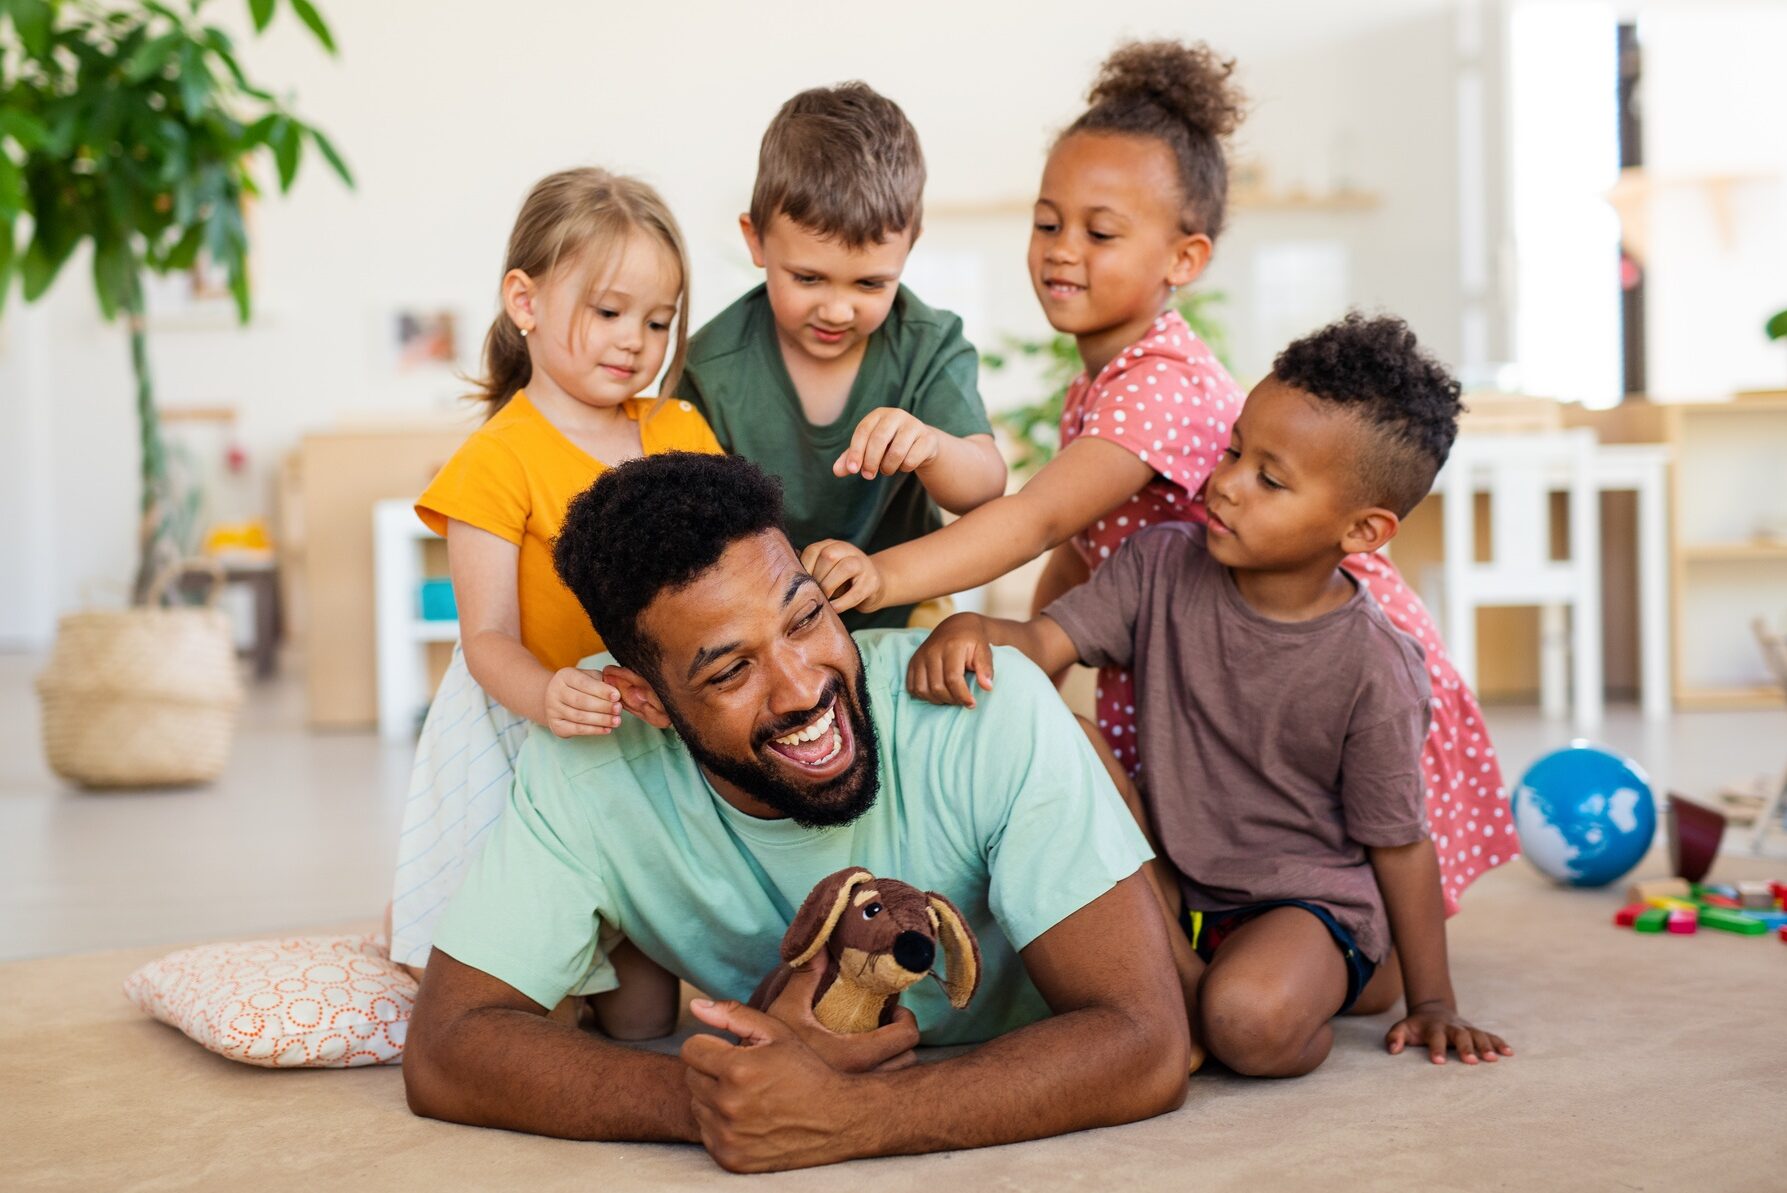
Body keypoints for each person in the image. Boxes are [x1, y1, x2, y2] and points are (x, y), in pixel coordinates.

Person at [802, 40, 1510, 911]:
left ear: (1185, 259)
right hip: (1200, 638)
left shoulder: (1160, 386)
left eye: (1100, 232)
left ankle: (1366, 947)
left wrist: (884, 572)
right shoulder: (1106, 379)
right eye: (1046, 221)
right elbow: (1080, 555)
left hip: (1292, 647)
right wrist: (1033, 676)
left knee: (1334, 861)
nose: (1062, 250)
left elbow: (1031, 522)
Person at [401, 452, 1189, 1173]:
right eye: (731, 668)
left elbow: (1145, 1038)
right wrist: (709, 1097)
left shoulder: (988, 705)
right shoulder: (589, 763)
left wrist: (853, 1115)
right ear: (643, 698)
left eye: (805, 618)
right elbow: (448, 1043)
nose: (801, 688)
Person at [908, 315, 1515, 1075]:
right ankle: (1193, 982)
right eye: (1232, 449)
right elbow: (1042, 644)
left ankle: (1344, 973)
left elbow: (1397, 843)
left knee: (1247, 1023)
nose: (1222, 483)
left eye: (1269, 478)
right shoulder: (1158, 563)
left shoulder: (1376, 665)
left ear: (1362, 529)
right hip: (1173, 879)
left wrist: (1432, 1001)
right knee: (1066, 736)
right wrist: (972, 626)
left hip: (1303, 901)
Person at [386, 169, 722, 1038]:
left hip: (658, 735)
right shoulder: (497, 459)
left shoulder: (678, 431)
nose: (636, 342)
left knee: (646, 1018)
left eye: (657, 320)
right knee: (541, 1005)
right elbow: (487, 637)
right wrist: (547, 693)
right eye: (609, 312)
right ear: (524, 302)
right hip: (542, 734)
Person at [677, 82, 1006, 631]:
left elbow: (985, 486)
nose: (836, 309)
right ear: (756, 241)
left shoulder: (927, 344)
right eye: (808, 278)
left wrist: (931, 448)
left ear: (910, 246)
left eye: (870, 284)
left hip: (904, 613)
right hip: (763, 624)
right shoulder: (710, 368)